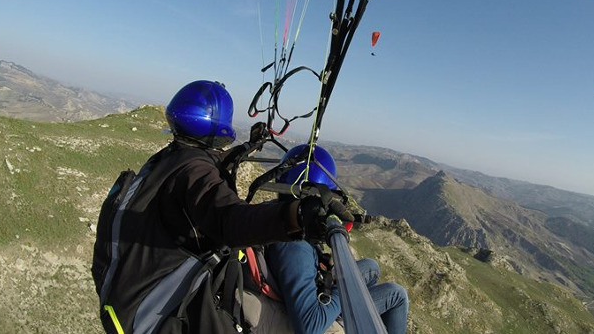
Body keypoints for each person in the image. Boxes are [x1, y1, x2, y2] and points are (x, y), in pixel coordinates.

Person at [93, 80, 350, 334]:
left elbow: (206, 166)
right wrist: (296, 216)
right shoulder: (194, 173)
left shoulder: (170, 157)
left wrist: (246, 148)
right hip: (157, 310)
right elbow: (230, 220)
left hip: (129, 290)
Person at [264, 144, 410, 334]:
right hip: (321, 311)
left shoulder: (282, 217)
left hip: (316, 287)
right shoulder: (295, 247)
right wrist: (345, 290)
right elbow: (309, 326)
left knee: (371, 267)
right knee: (397, 294)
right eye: (327, 198)